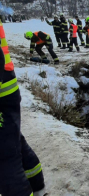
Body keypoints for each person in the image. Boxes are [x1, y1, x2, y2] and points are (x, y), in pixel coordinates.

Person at [0, 20, 46, 196]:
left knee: (5, 160)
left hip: (3, 91)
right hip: (6, 88)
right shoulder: (34, 37)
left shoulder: (39, 34)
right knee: (14, 143)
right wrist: (30, 53)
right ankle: (39, 190)